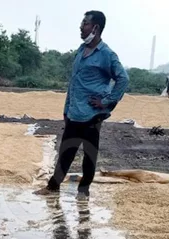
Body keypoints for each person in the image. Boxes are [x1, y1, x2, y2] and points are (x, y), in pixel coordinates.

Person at [35, 10, 129, 201]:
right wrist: (66, 108)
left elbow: (123, 79)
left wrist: (106, 102)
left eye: (85, 23)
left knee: (89, 154)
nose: (81, 26)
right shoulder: (80, 50)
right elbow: (74, 82)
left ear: (95, 27)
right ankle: (53, 186)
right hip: (74, 112)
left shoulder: (107, 54)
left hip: (92, 115)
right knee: (66, 151)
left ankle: (83, 191)